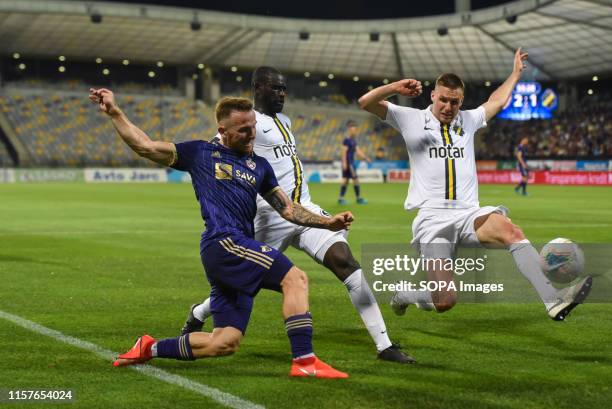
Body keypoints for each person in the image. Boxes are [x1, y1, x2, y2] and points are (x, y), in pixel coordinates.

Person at [89, 89, 351, 378]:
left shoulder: (260, 166)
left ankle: (148, 348)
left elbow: (288, 210)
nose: (252, 134)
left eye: (253, 127)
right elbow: (146, 146)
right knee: (296, 279)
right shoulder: (201, 153)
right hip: (224, 242)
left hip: (234, 249)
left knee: (224, 342)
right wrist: (115, 112)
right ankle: (305, 362)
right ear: (222, 131)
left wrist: (327, 223)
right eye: (243, 130)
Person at [182, 66, 415, 364]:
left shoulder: (285, 121)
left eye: (283, 89)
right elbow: (217, 147)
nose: (281, 94)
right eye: (274, 88)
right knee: (242, 286)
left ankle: (385, 346)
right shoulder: (249, 124)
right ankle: (200, 312)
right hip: (270, 216)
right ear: (257, 88)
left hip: (305, 211)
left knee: (346, 263)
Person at [358, 48, 592, 321]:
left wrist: (515, 74)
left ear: (461, 102)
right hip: (433, 220)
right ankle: (406, 295)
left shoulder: (467, 120)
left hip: (470, 213)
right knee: (444, 300)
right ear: (433, 96)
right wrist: (395, 87)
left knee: (512, 231)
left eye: (454, 102)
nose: (448, 107)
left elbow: (497, 101)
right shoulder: (411, 119)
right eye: (443, 100)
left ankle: (553, 300)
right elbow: (366, 102)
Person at [338, 120, 371, 204]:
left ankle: (341, 198)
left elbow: (358, 151)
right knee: (355, 180)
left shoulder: (353, 140)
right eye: (352, 130)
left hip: (351, 163)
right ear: (349, 130)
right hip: (349, 163)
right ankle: (358, 198)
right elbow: (344, 152)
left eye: (355, 130)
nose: (354, 131)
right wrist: (345, 163)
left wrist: (366, 158)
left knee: (346, 180)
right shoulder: (347, 140)